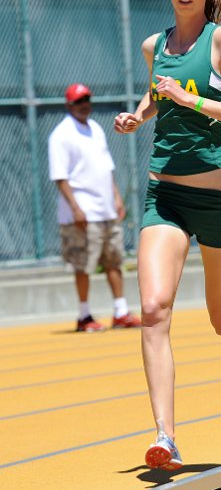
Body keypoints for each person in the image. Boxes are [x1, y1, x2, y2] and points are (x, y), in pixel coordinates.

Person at [114, 0, 221, 470]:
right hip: (166, 195)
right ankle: (166, 436)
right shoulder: (153, 44)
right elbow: (157, 94)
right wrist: (140, 114)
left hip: (219, 197)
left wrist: (192, 101)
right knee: (154, 310)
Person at [48, 83, 141, 333]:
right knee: (83, 265)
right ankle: (84, 315)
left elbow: (106, 168)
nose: (84, 105)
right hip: (82, 213)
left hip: (105, 209)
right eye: (79, 101)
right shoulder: (62, 134)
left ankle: (121, 311)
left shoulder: (96, 129)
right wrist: (76, 209)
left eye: (87, 100)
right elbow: (60, 176)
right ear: (69, 105)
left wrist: (117, 197)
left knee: (114, 261)